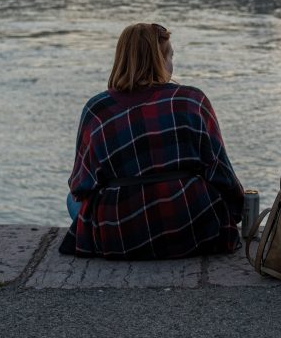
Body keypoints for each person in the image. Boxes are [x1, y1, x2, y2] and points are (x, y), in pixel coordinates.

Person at [60, 23, 244, 259]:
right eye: (170, 57)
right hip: (192, 227)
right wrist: (236, 213)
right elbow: (220, 172)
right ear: (161, 61)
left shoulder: (97, 110)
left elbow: (80, 185)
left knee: (71, 201)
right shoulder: (192, 100)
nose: (172, 64)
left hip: (120, 237)